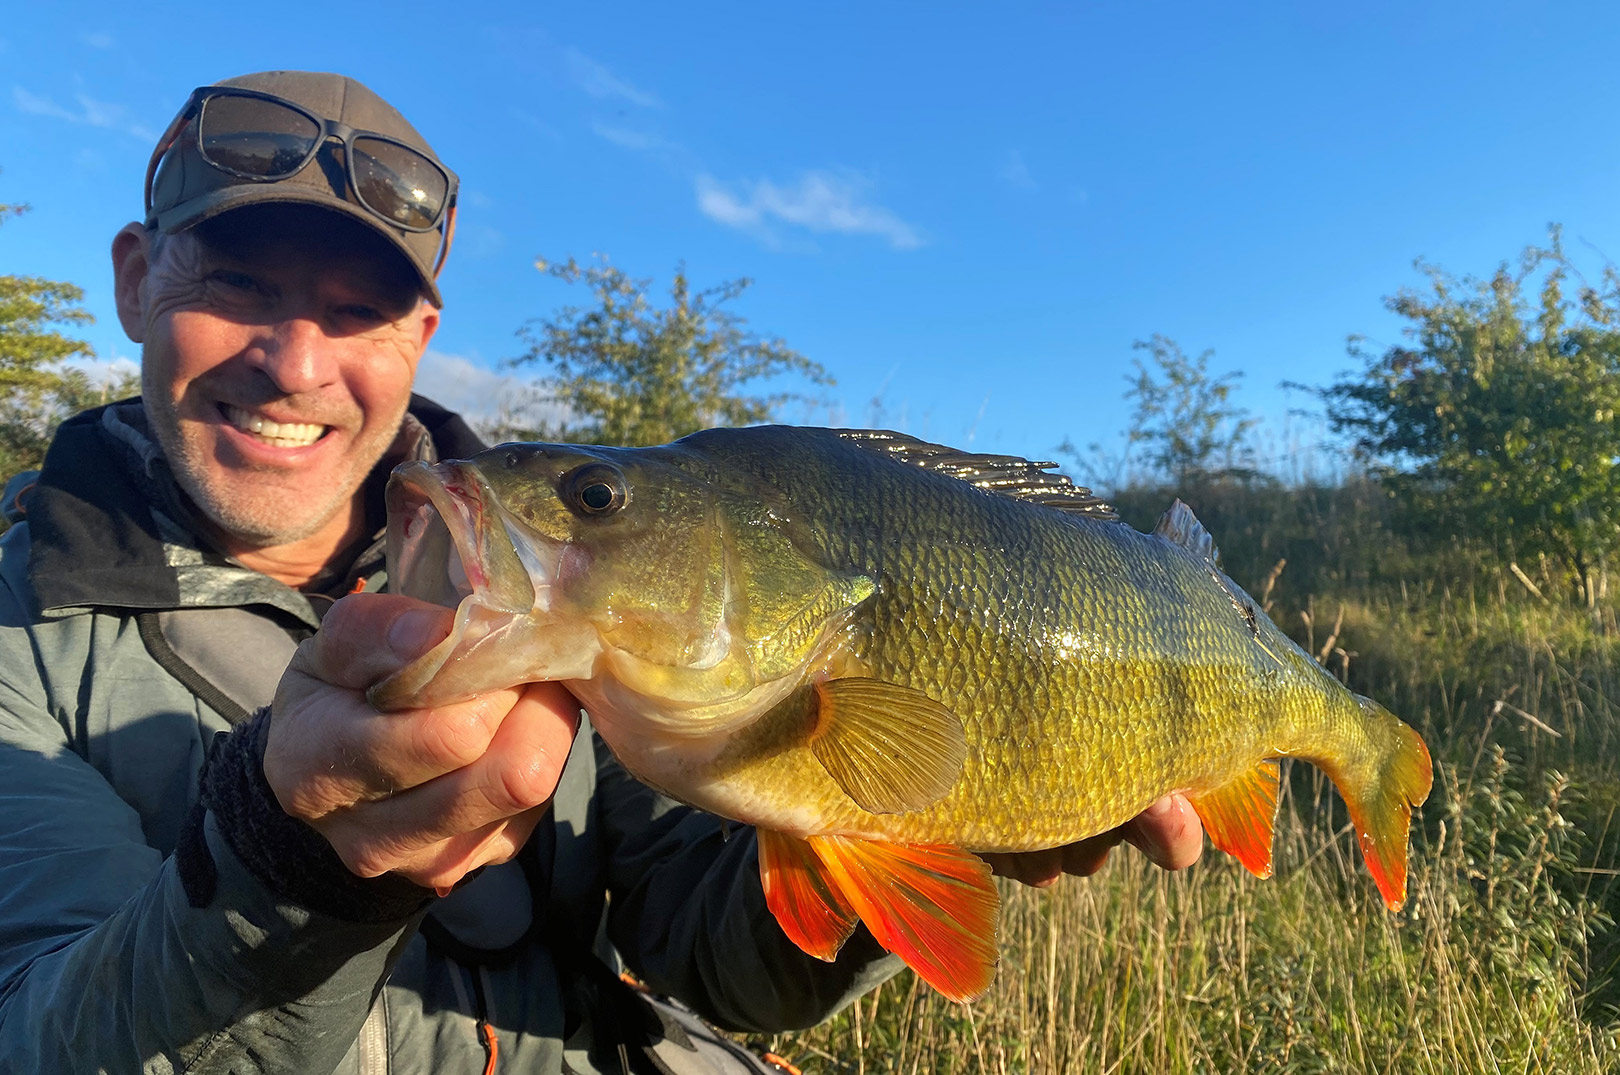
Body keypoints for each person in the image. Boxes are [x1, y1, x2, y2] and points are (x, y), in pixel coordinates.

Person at [0, 70, 1204, 1074]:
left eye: (358, 309)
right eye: (235, 285)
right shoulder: (20, 628)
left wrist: (921, 828)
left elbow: (707, 952)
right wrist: (292, 862)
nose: (295, 360)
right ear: (133, 280)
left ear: (419, 338)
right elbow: (39, 1031)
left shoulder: (595, 608)